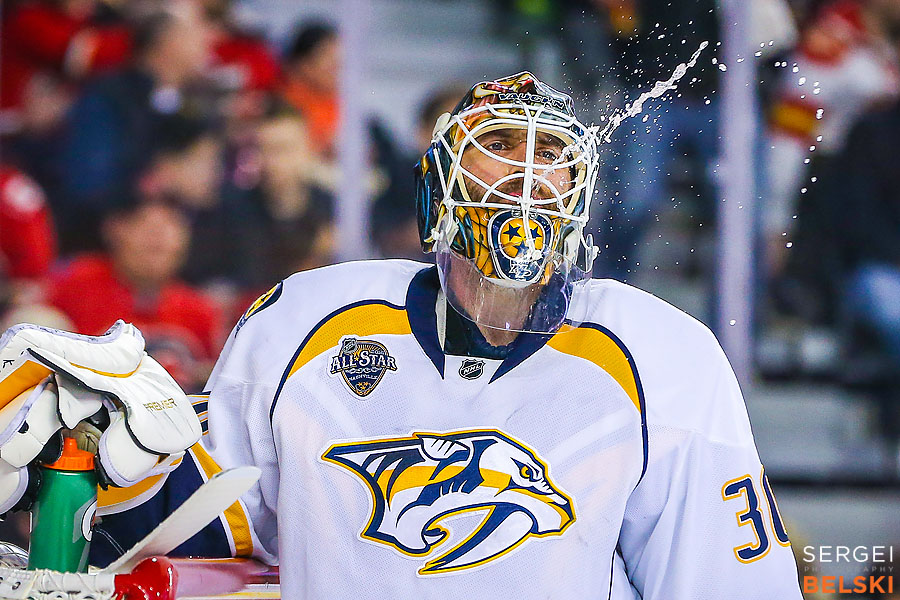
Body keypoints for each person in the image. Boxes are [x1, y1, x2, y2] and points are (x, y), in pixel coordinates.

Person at [0, 73, 801, 598]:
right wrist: (118, 466)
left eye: (551, 153)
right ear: (439, 185)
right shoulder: (304, 321)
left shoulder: (662, 354)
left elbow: (726, 583)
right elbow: (218, 539)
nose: (526, 177)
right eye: (498, 147)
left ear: (578, 189)